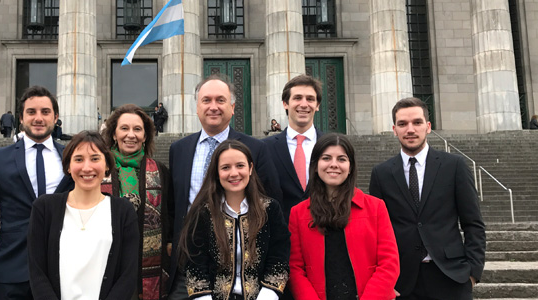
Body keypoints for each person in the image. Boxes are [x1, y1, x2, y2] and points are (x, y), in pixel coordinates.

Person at [168, 75, 282, 299]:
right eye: (206, 100)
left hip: (243, 263)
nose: (213, 107)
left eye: (220, 100)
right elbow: (175, 202)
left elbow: (270, 201)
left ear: (232, 107)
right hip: (190, 261)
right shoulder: (179, 149)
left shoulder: (256, 149)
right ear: (197, 107)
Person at [368, 97, 485, 300]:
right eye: (403, 124)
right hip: (401, 282)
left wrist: (473, 273)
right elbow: (375, 231)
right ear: (394, 129)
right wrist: (383, 280)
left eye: (417, 122)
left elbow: (473, 223)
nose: (410, 129)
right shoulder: (382, 173)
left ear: (428, 127)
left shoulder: (454, 166)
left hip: (450, 277)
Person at [0, 86, 75, 300]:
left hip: (64, 273)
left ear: (56, 117)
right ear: (21, 118)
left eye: (45, 112)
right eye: (31, 112)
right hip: (11, 273)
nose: (38, 118)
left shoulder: (73, 158)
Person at [27, 130, 138, 300]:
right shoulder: (44, 208)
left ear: (107, 165)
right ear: (68, 166)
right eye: (78, 159)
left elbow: (128, 275)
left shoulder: (123, 210)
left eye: (95, 159)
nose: (87, 167)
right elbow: (37, 272)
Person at [288, 133, 399, 300]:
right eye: (326, 158)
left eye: (341, 159)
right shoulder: (298, 213)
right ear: (316, 165)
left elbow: (389, 263)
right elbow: (295, 268)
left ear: (350, 167)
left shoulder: (376, 207)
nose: (334, 165)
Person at [178, 140, 290, 300]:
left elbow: (279, 258)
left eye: (240, 166)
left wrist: (268, 295)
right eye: (225, 167)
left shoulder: (270, 209)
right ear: (216, 172)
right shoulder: (203, 212)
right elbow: (195, 264)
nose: (234, 173)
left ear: (250, 168)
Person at [101, 104, 172, 300]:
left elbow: (169, 213)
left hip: (146, 265)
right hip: (105, 262)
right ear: (114, 134)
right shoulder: (97, 169)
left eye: (137, 129)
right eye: (124, 128)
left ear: (146, 136)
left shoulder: (160, 171)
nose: (130, 135)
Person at [263, 75, 324, 220]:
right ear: (285, 103)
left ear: (317, 105)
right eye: (297, 98)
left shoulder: (332, 146)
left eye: (310, 99)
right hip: (281, 233)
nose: (304, 104)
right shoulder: (265, 148)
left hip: (324, 231)